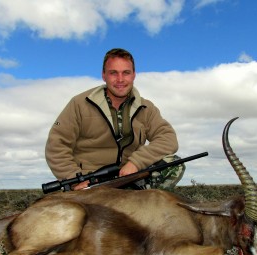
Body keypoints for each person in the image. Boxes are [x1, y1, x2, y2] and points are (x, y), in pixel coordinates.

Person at [45, 48, 184, 190]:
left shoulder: (146, 107)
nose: (120, 79)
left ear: (134, 75)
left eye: (126, 73)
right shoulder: (79, 104)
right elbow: (56, 145)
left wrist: (136, 163)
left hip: (129, 178)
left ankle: (142, 204)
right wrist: (73, 178)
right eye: (113, 73)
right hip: (90, 183)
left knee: (173, 162)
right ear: (104, 75)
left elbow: (168, 138)